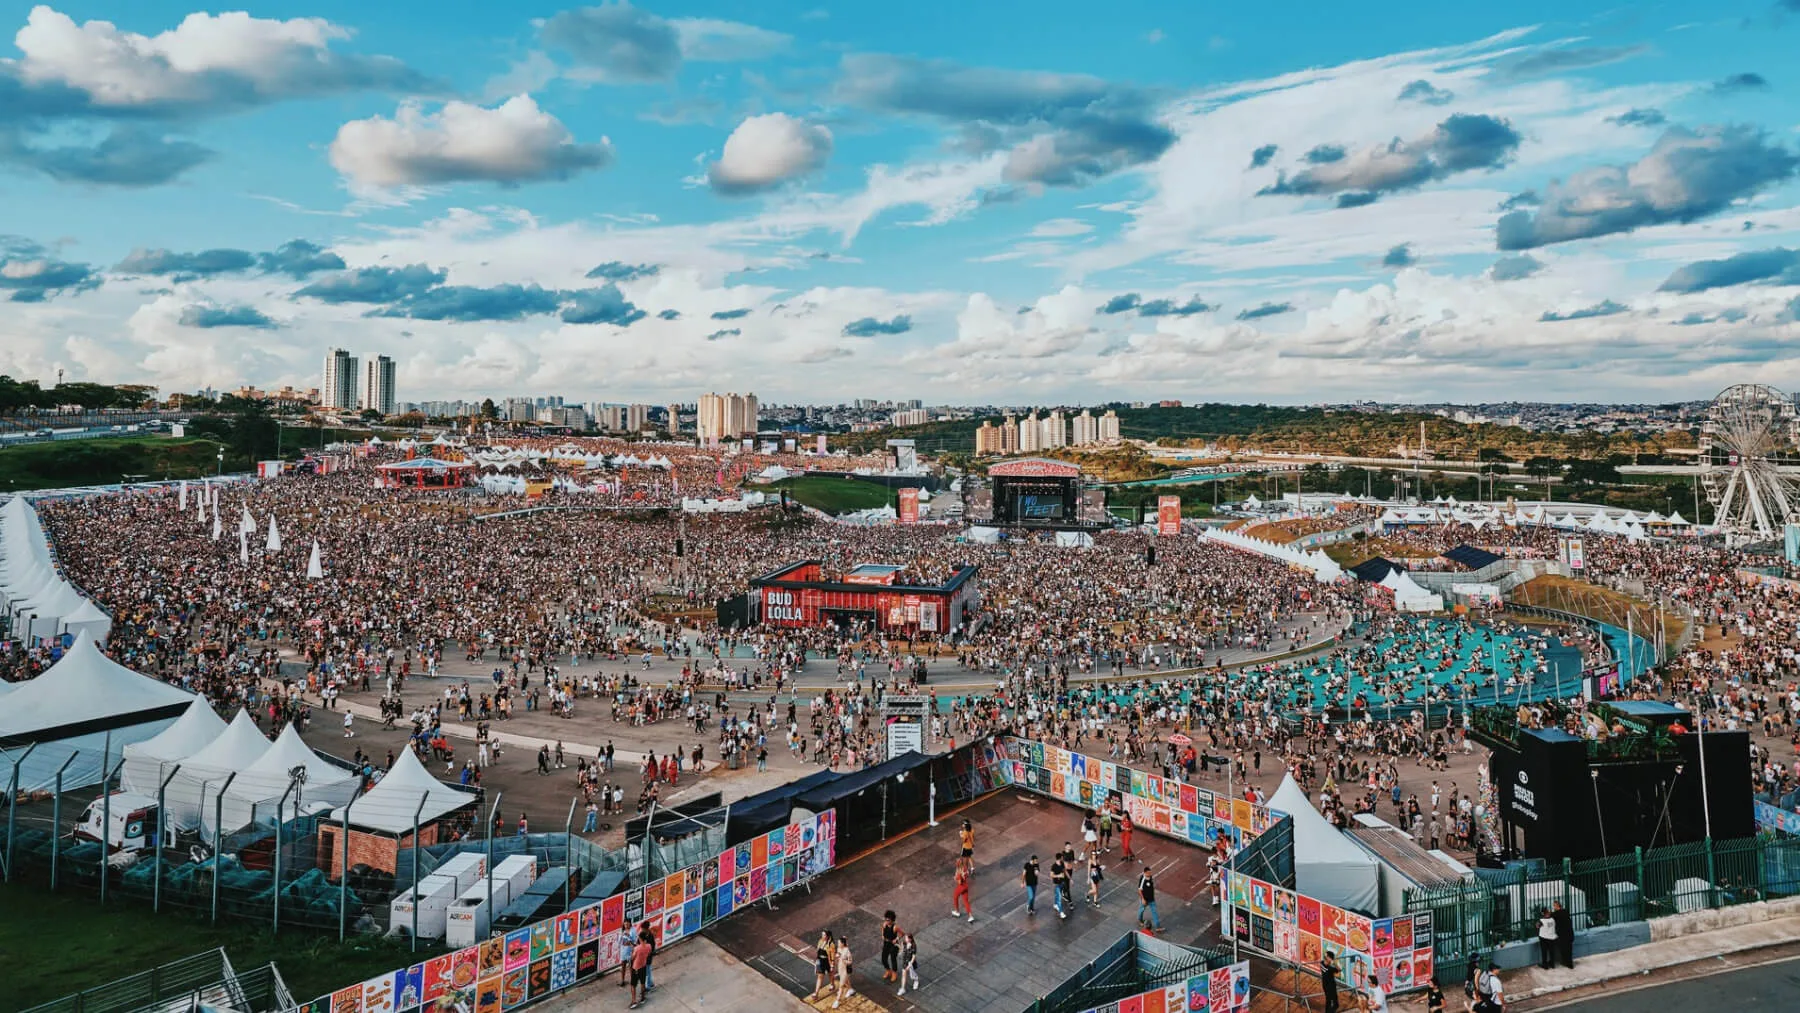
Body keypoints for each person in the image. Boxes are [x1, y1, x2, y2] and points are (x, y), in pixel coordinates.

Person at [627, 930, 652, 1009]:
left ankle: (634, 1001)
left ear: (640, 938)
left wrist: (633, 950)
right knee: (642, 983)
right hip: (643, 966)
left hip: (636, 968)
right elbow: (648, 953)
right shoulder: (649, 946)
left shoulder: (637, 948)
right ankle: (643, 998)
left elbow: (632, 958)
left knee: (633, 985)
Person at [1136, 864, 1161, 932]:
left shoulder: (1150, 877)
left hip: (1151, 899)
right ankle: (1140, 920)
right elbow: (1139, 890)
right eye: (1148, 873)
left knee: (1154, 912)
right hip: (1145, 899)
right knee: (1141, 910)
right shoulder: (1143, 879)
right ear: (1145, 873)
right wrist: (1143, 899)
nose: (1150, 874)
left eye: (1150, 873)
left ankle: (1157, 927)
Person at [832, 936, 854, 1009]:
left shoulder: (847, 951)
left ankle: (837, 1001)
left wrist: (844, 961)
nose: (838, 944)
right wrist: (837, 956)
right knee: (846, 981)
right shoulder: (839, 948)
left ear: (843, 943)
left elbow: (850, 961)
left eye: (839, 943)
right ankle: (850, 989)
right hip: (840, 968)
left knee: (841, 986)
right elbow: (838, 955)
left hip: (845, 970)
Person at [951, 857, 974, 923]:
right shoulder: (965, 868)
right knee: (966, 901)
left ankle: (957, 911)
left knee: (955, 897)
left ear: (957, 864)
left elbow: (959, 882)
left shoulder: (959, 871)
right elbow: (967, 874)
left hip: (961, 887)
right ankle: (970, 916)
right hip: (966, 886)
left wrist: (955, 878)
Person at [880, 910, 901, 983]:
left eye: (888, 920)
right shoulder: (884, 924)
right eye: (885, 919)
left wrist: (896, 939)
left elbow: (902, 933)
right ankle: (888, 970)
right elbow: (882, 929)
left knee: (893, 959)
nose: (886, 921)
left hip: (893, 944)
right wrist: (882, 935)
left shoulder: (895, 927)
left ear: (892, 920)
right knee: (883, 958)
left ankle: (894, 973)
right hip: (886, 943)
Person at [1551, 900, 1574, 968]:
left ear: (1557, 906)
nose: (1553, 907)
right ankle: (1569, 964)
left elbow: (1550, 915)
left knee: (1563, 949)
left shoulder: (1556, 914)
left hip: (1562, 935)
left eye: (1554, 906)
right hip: (1569, 933)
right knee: (1569, 950)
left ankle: (1566, 963)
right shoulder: (1565, 911)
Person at [813, 931, 835, 999]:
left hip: (827, 961)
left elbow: (832, 955)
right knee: (820, 977)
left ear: (828, 936)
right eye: (822, 934)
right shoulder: (820, 941)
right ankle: (816, 993)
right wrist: (816, 963)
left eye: (824, 935)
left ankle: (832, 984)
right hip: (820, 960)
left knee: (830, 974)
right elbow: (818, 952)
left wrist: (832, 965)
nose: (822, 936)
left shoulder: (831, 944)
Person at [897, 932, 920, 997]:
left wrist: (910, 965)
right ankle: (903, 988)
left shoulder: (913, 946)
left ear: (910, 939)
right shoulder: (904, 943)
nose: (905, 939)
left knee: (912, 975)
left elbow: (913, 957)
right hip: (905, 961)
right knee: (903, 974)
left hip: (910, 963)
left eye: (906, 938)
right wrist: (900, 952)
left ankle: (916, 980)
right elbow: (902, 949)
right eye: (905, 938)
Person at [1049, 853, 1069, 919]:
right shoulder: (1054, 866)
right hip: (1056, 884)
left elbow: (1064, 870)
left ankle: (1055, 904)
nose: (1062, 858)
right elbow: (1051, 875)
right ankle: (1061, 912)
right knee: (1059, 897)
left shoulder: (1062, 863)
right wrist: (1058, 875)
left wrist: (1069, 878)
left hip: (1062, 883)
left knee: (1057, 895)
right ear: (1060, 858)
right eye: (1062, 857)